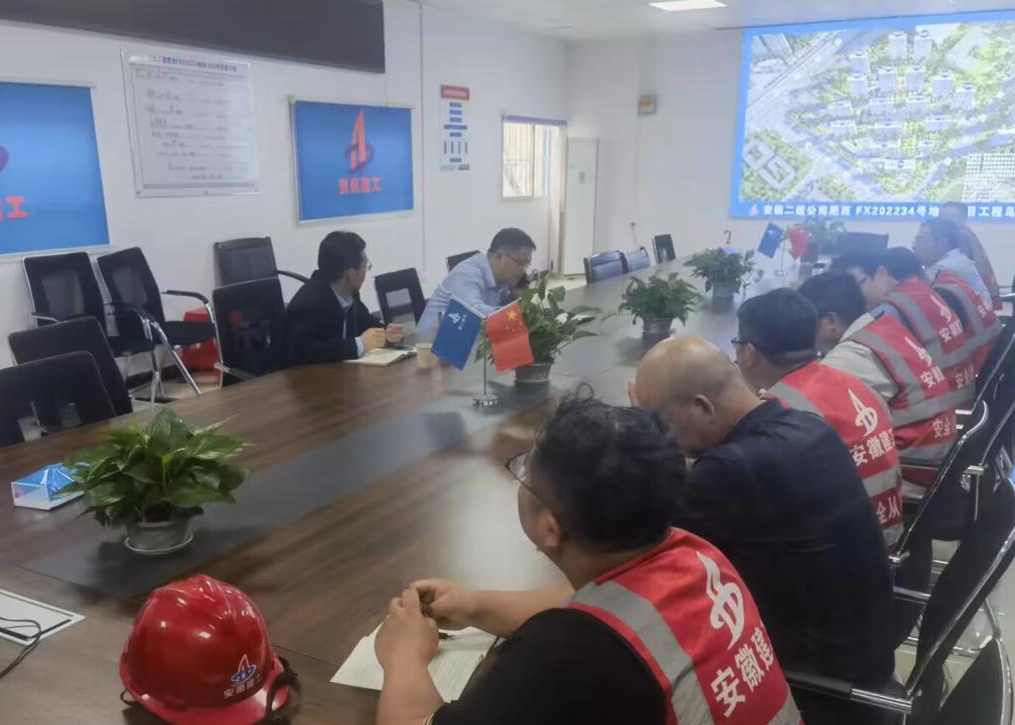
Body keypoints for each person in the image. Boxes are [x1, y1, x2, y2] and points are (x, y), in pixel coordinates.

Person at [373, 389, 800, 725]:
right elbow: (603, 611)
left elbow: (584, 637)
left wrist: (403, 655)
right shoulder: (695, 553)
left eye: (526, 473)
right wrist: (473, 605)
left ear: (550, 527)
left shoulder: (568, 656)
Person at [630, 337, 894, 725]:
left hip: (822, 691)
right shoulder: (806, 425)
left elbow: (635, 543)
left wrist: (643, 441)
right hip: (869, 654)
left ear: (703, 407)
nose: (665, 436)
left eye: (663, 423)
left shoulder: (728, 472)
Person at [735, 288, 904, 547]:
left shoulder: (780, 412)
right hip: (885, 535)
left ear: (748, 353)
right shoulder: (851, 381)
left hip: (842, 550)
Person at [798, 272, 958, 486]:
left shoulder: (851, 356)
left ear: (831, 321)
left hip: (910, 476)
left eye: (806, 323)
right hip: (935, 458)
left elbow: (799, 413)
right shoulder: (882, 327)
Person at [834, 248, 975, 408]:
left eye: (856, 285)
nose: (852, 296)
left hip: (937, 407)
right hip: (957, 394)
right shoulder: (919, 290)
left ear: (881, 273)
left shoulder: (887, 315)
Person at [284, 231, 403, 366]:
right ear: (351, 274)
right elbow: (301, 352)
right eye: (365, 266)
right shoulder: (308, 303)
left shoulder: (350, 293)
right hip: (311, 378)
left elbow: (366, 323)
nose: (365, 271)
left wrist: (386, 333)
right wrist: (358, 344)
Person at [417, 228, 536, 336]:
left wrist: (518, 297)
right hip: (430, 344)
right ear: (499, 257)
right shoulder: (466, 274)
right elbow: (475, 313)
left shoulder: (503, 277)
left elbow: (504, 306)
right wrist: (517, 314)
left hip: (467, 339)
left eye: (527, 264)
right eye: (520, 263)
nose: (523, 270)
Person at [912, 217, 992, 307]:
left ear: (943, 242)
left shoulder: (947, 266)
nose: (914, 246)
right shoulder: (954, 259)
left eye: (921, 240)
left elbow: (910, 292)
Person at [940, 202, 1002, 310]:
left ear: (963, 220)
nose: (942, 222)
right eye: (940, 217)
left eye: (949, 217)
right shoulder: (966, 232)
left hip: (975, 303)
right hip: (975, 297)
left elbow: (946, 270)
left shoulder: (960, 237)